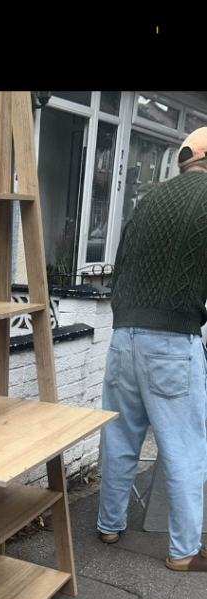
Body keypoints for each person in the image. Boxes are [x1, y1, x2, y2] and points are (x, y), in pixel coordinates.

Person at [97, 126, 207, 571]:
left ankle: (109, 525)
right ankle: (183, 552)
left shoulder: (148, 201)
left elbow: (121, 267)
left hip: (123, 339)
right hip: (173, 343)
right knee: (184, 448)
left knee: (120, 438)